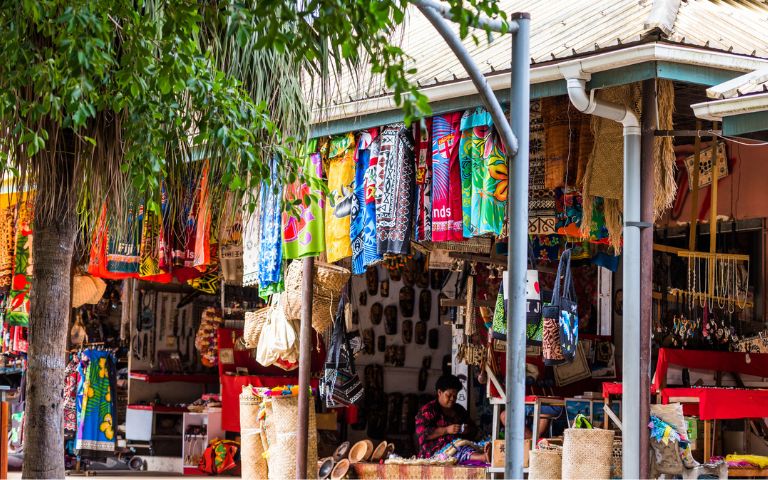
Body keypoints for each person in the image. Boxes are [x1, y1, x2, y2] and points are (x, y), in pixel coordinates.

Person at [415, 375, 490, 463]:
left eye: (455, 396)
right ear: (439, 392)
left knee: (477, 444)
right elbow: (423, 434)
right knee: (458, 448)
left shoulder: (459, 410)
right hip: (434, 453)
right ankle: (482, 457)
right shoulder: (428, 410)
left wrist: (467, 430)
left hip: (461, 445)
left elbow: (474, 430)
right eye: (449, 395)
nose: (452, 399)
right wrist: (446, 430)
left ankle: (482, 455)